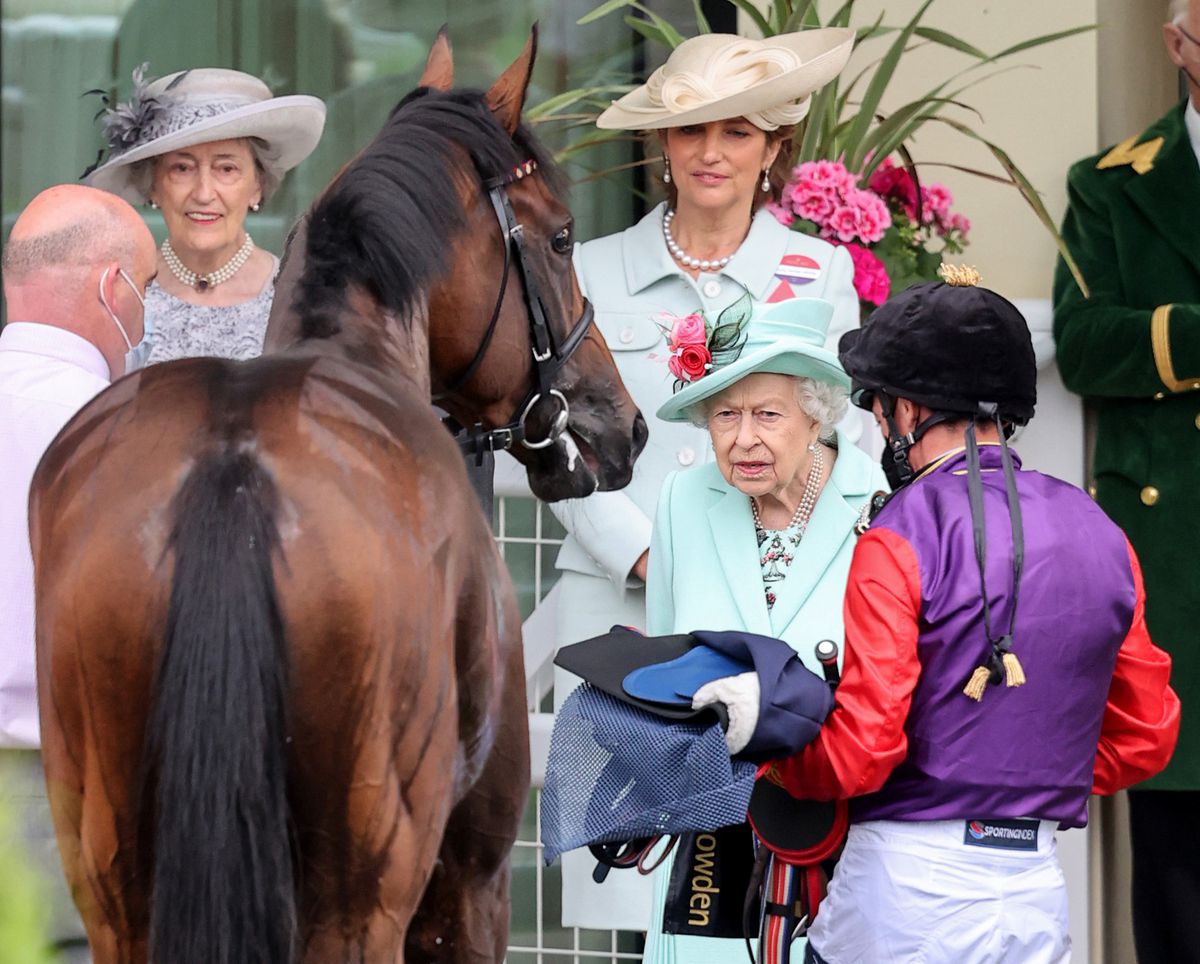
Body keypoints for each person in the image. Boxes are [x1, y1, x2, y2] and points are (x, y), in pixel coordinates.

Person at [760, 274, 1180, 963]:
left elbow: (864, 750)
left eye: (878, 405)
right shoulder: (1103, 532)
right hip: (1035, 890)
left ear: (908, 409)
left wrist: (777, 765)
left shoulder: (897, 533)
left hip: (905, 890)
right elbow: (1146, 736)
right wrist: (1030, 772)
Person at [546, 27, 860, 931]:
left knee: (762, 882)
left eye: (737, 132)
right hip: (624, 603)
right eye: (691, 132)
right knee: (630, 881)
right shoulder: (592, 272)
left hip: (766, 618)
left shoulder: (820, 272)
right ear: (663, 145)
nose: (711, 152)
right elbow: (559, 442)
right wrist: (646, 554)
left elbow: (847, 435)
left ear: (773, 149)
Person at [637, 296, 887, 963]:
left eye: (767, 414)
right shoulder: (682, 501)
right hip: (710, 838)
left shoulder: (880, 503)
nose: (743, 438)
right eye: (725, 414)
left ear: (817, 415)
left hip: (836, 834)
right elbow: (666, 648)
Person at [1051, 2, 1200, 959]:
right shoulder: (1110, 184)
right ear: (1178, 35)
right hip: (1178, 562)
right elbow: (1084, 343)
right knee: (1181, 884)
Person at [1, 183, 157, 960]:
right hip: (70, 790)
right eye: (148, 287)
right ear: (112, 287)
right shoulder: (128, 430)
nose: (147, 311)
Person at [84, 65, 325, 363]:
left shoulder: (297, 301)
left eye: (226, 169)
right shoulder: (118, 299)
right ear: (154, 187)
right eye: (182, 169)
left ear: (257, 186)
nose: (203, 193)